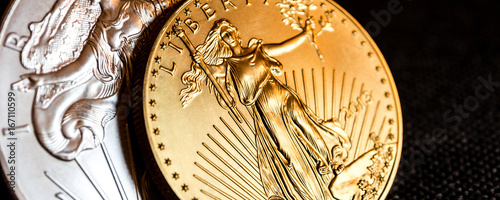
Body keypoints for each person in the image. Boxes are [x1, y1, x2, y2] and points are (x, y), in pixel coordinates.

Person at [181, 18, 352, 200]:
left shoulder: (258, 50)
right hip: (266, 109)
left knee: (307, 127)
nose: (229, 36)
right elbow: (218, 86)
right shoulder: (227, 65)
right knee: (285, 148)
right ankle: (308, 192)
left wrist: (304, 34)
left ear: (236, 33)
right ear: (222, 41)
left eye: (230, 31)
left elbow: (284, 46)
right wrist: (201, 63)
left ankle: (331, 165)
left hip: (283, 95)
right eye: (224, 35)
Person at [11, 0, 165, 160]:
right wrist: (41, 80)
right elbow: (78, 68)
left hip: (113, 90)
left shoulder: (120, 22)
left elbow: (79, 69)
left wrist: (42, 80)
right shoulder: (106, 27)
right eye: (123, 37)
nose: (118, 44)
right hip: (107, 91)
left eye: (125, 39)